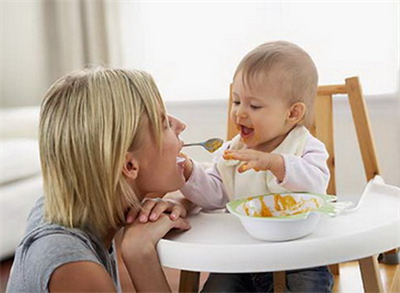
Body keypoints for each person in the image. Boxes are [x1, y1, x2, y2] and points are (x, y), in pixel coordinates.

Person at [6, 68, 194, 293]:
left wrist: (177, 203)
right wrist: (140, 255)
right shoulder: (74, 270)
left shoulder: (65, 206)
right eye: (164, 124)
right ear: (129, 166)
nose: (181, 125)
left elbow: (200, 179)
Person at [179, 41, 334, 292]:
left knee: (308, 286)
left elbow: (317, 184)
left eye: (254, 106)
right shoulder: (233, 152)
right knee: (217, 288)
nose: (240, 113)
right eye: (237, 101)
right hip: (240, 256)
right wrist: (187, 171)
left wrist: (275, 163)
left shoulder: (305, 146)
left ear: (293, 113)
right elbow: (214, 195)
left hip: (299, 256)